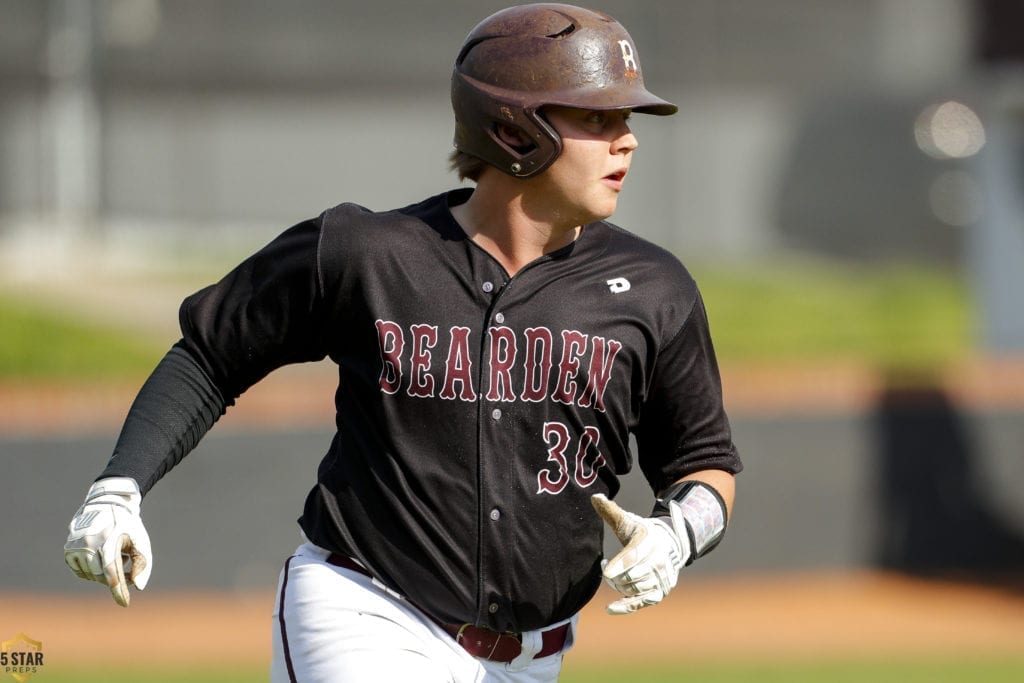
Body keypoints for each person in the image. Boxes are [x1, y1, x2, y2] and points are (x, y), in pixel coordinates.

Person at [63, 4, 742, 682]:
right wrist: (118, 490)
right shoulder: (369, 253)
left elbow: (704, 461)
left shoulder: (655, 289)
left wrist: (678, 532)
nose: (626, 140)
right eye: (597, 118)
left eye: (626, 119)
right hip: (364, 612)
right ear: (513, 128)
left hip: (536, 658)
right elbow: (212, 354)